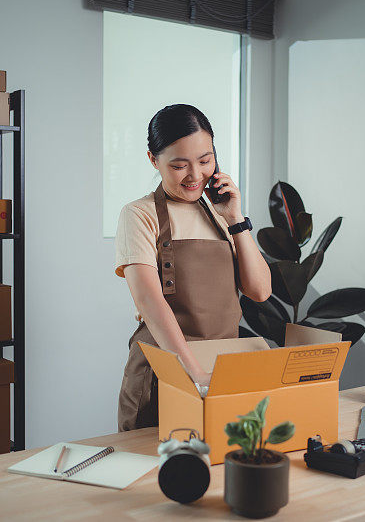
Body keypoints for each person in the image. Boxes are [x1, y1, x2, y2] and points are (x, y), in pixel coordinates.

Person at [114, 104, 271, 431]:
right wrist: (194, 376)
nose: (196, 175)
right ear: (153, 160)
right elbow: (150, 302)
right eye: (179, 165)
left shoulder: (221, 211)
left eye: (205, 161)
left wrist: (236, 220)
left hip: (221, 368)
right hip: (165, 371)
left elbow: (259, 291)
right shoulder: (139, 215)